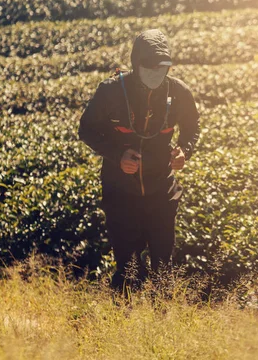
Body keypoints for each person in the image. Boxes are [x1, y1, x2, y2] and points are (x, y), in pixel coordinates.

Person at [78, 29, 200, 292]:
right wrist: (117, 156)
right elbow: (86, 129)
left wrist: (183, 150)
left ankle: (162, 324)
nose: (157, 72)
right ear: (136, 64)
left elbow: (192, 127)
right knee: (127, 268)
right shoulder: (111, 91)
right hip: (120, 190)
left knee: (162, 268)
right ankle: (123, 322)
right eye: (150, 66)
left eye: (163, 66)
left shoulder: (179, 92)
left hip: (161, 190)